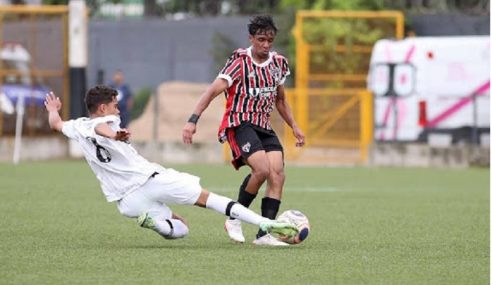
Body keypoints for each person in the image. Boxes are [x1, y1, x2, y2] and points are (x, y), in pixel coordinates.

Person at [44, 85, 297, 244]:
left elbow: (56, 123)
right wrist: (114, 135)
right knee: (209, 199)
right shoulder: (106, 123)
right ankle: (266, 223)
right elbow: (102, 128)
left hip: (127, 201)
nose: (117, 109)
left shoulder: (76, 126)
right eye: (114, 104)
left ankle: (158, 223)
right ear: (102, 107)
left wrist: (53, 109)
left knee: (182, 228)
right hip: (150, 179)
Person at [182, 15, 305, 246]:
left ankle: (265, 233)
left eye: (270, 40)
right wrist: (192, 121)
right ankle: (234, 217)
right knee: (262, 169)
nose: (266, 45)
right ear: (251, 38)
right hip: (240, 123)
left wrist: (295, 127)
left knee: (277, 173)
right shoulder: (239, 62)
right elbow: (211, 92)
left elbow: (280, 100)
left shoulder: (278, 63)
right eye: (261, 40)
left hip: (263, 125)